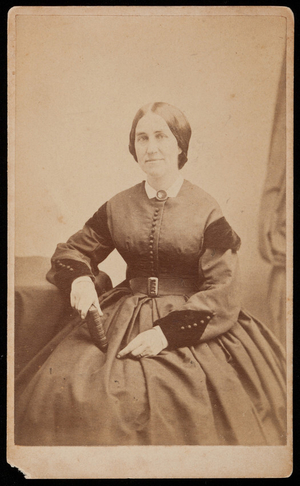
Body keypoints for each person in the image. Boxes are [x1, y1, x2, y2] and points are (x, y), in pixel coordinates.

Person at [15, 102, 286, 446]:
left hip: (192, 319)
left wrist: (165, 335)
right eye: (142, 138)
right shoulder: (118, 205)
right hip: (124, 315)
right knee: (70, 389)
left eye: (161, 136)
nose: (151, 147)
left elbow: (224, 286)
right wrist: (81, 278)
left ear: (179, 146)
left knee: (177, 400)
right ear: (133, 148)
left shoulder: (207, 209)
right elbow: (73, 250)